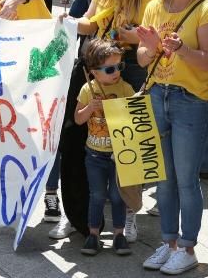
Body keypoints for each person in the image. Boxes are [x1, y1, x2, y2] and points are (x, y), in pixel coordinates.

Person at [136, 0, 208, 276]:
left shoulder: (207, 10)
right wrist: (150, 47)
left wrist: (181, 48)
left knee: (186, 179)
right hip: (159, 94)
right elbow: (145, 60)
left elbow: (205, 64)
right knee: (164, 178)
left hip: (191, 100)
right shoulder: (155, 6)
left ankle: (187, 247)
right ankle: (169, 243)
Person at [73, 38, 134, 256]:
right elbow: (78, 119)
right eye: (110, 69)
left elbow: (134, 121)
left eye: (119, 66)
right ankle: (93, 234)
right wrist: (90, 107)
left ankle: (119, 234)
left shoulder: (125, 88)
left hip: (119, 154)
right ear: (94, 72)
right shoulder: (88, 90)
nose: (116, 72)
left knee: (118, 196)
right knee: (97, 195)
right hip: (95, 154)